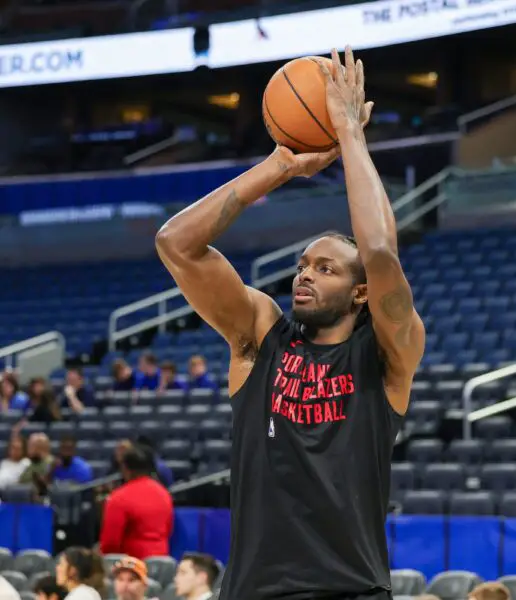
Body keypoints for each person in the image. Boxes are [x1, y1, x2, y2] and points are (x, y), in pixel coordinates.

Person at [156, 46, 424, 600]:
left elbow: (379, 250)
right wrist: (280, 166)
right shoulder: (259, 338)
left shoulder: (387, 355)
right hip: (252, 591)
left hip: (351, 591)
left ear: (361, 293)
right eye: (302, 265)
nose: (304, 275)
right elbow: (176, 244)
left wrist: (349, 133)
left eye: (325, 269)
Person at [99, 445, 173, 559]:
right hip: (161, 564)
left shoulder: (119, 497)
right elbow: (168, 530)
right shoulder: (164, 494)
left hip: (130, 568)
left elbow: (110, 544)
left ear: (124, 468)